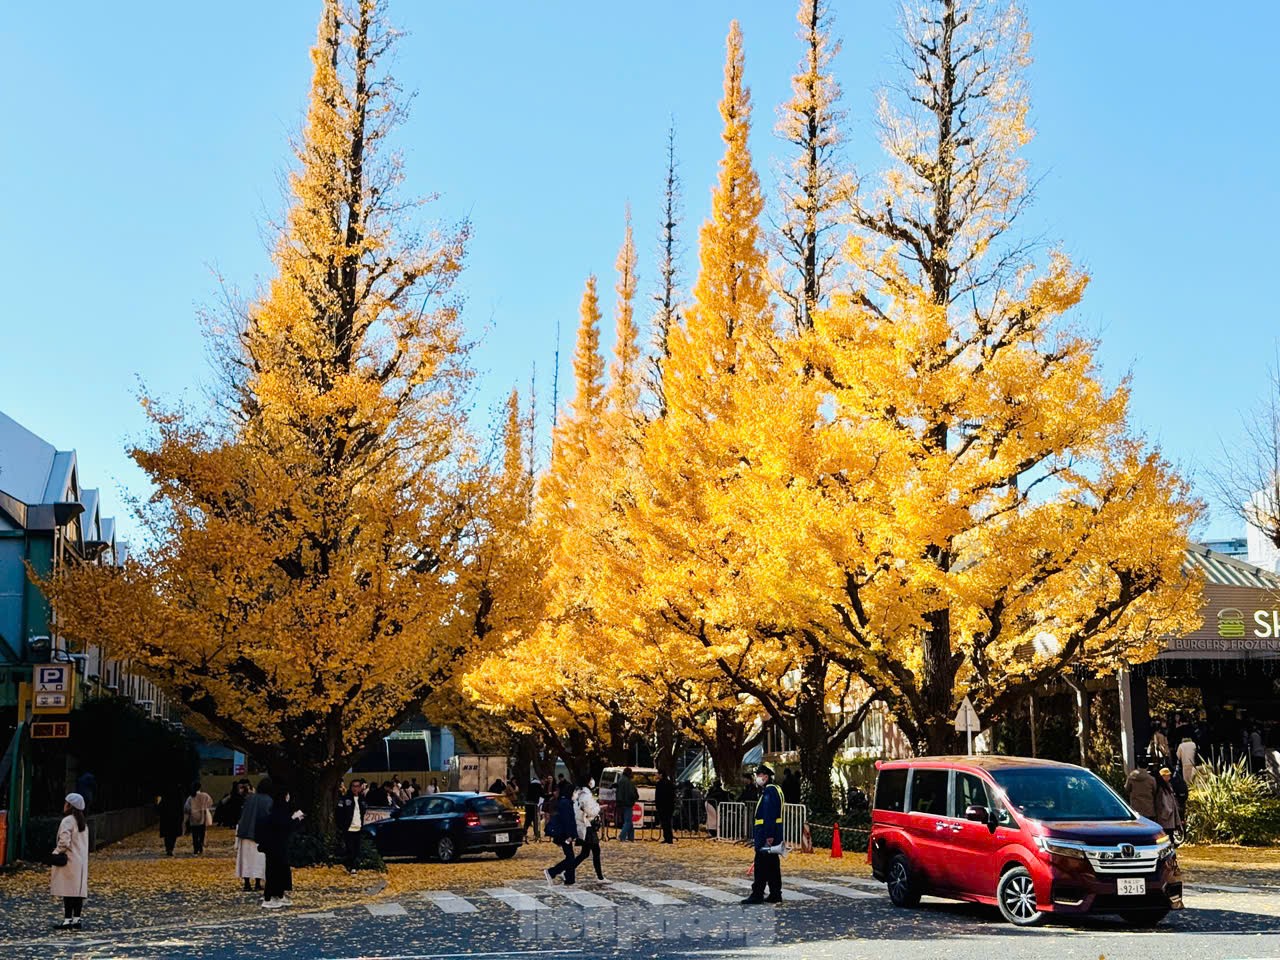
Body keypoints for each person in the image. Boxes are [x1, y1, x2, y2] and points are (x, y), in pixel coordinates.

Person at [742, 764, 784, 904]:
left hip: (766, 835)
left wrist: (768, 835)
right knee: (772, 865)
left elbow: (768, 815)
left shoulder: (769, 791)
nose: (757, 778)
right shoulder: (776, 789)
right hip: (773, 833)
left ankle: (757, 894)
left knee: (761, 865)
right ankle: (775, 893)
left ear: (765, 777)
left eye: (759, 775)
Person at [259, 784, 304, 908]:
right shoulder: (280, 811)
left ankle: (279, 895)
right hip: (277, 845)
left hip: (276, 845)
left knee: (278, 869)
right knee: (275, 870)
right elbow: (284, 826)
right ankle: (270, 897)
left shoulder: (276, 809)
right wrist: (296, 820)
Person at [51, 792, 89, 930]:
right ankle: (77, 919)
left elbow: (64, 841)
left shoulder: (67, 821)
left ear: (70, 805)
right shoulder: (82, 822)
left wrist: (56, 851)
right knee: (77, 892)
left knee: (67, 892)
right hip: (81, 862)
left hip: (70, 860)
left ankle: (67, 920)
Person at [237, 778, 272, 892]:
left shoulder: (250, 798)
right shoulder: (268, 800)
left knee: (246, 859)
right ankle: (258, 882)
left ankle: (247, 883)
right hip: (260, 834)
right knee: (259, 859)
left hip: (246, 832)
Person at [544, 782, 579, 887]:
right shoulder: (565, 803)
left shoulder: (565, 802)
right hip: (565, 834)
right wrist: (570, 835)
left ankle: (570, 878)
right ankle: (552, 872)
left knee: (570, 856)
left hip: (565, 833)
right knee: (570, 857)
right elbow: (567, 821)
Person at [571, 779, 605, 881]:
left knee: (585, 853)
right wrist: (599, 808)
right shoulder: (586, 795)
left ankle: (568, 870)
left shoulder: (578, 793)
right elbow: (590, 811)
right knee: (595, 851)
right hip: (587, 826)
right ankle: (600, 877)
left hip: (584, 825)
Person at [337, 778, 366, 875]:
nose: (355, 788)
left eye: (357, 786)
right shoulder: (345, 799)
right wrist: (342, 825)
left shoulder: (362, 799)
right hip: (348, 827)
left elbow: (363, 812)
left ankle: (354, 865)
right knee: (350, 848)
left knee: (357, 848)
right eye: (353, 786)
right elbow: (339, 813)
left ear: (360, 788)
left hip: (358, 827)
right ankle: (351, 866)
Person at [185, 781, 214, 855]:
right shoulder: (205, 795)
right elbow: (210, 803)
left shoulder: (190, 797)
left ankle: (195, 848)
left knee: (195, 834)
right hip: (202, 817)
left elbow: (186, 808)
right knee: (202, 833)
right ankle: (200, 846)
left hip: (193, 818)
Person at [157, 783, 185, 856]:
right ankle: (171, 848)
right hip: (175, 816)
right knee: (173, 833)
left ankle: (168, 848)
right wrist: (181, 817)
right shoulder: (178, 794)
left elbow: (160, 806)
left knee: (167, 834)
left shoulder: (164, 795)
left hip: (166, 816)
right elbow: (181, 806)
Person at [1155, 767, 1182, 837]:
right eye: (1167, 775)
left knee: (1169, 834)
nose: (1169, 777)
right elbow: (1162, 802)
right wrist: (1168, 811)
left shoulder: (1168, 786)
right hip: (1166, 815)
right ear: (1163, 776)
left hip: (1168, 814)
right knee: (1167, 834)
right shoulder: (1161, 788)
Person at [615, 768, 638, 842]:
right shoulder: (628, 782)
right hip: (628, 803)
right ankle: (622, 836)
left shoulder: (620, 780)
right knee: (628, 821)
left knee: (628, 820)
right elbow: (632, 794)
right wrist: (635, 797)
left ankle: (631, 837)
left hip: (621, 803)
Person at [655, 770, 676, 844]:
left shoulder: (659, 784)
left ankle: (667, 837)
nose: (656, 775)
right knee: (668, 822)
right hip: (669, 805)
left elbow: (657, 796)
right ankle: (669, 837)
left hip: (662, 806)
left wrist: (657, 805)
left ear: (661, 775)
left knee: (664, 823)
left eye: (657, 774)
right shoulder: (670, 783)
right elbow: (673, 795)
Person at [524, 777, 544, 842]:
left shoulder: (530, 785)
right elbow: (542, 794)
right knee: (535, 819)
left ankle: (524, 831)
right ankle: (536, 833)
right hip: (534, 804)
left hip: (528, 804)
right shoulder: (538, 786)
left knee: (528, 819)